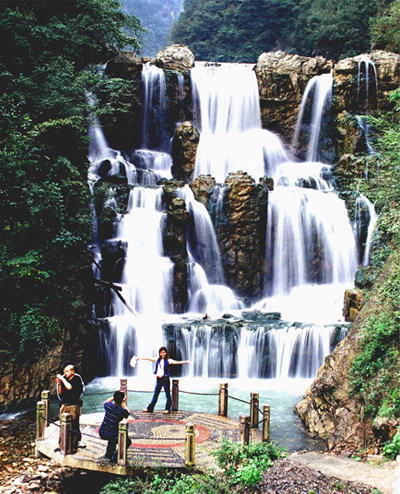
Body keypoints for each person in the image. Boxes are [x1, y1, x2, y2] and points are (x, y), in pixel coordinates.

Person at [133, 347, 190, 414]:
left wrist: (186, 361)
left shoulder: (169, 360)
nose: (163, 354)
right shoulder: (157, 359)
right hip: (159, 380)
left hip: (165, 379)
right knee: (155, 394)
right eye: (161, 352)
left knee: (167, 395)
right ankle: (150, 408)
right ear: (159, 353)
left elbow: (177, 362)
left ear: (166, 353)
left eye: (164, 352)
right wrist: (138, 358)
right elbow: (148, 358)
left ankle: (167, 409)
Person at [55, 364, 85, 453]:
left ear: (72, 371)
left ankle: (75, 445)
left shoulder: (77, 379)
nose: (65, 373)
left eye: (67, 371)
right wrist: (59, 384)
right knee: (62, 424)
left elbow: (69, 387)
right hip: (64, 404)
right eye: (64, 371)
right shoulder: (65, 379)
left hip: (74, 405)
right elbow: (60, 393)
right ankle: (61, 445)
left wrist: (63, 379)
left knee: (74, 425)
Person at [99, 391, 132, 463]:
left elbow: (106, 402)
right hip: (112, 434)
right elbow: (128, 412)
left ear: (114, 398)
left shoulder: (108, 406)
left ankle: (108, 455)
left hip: (102, 432)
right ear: (123, 399)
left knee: (112, 434)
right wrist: (123, 402)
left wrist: (113, 397)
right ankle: (116, 456)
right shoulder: (122, 411)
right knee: (128, 441)